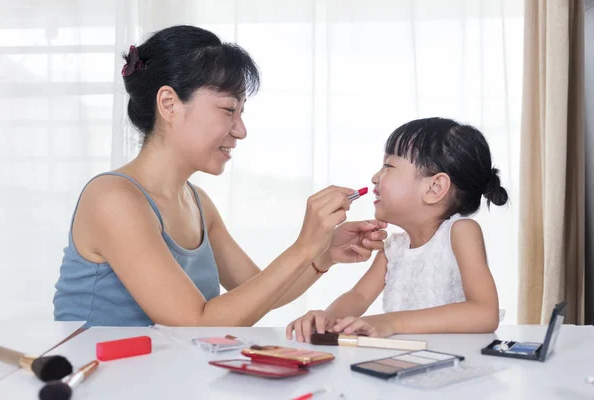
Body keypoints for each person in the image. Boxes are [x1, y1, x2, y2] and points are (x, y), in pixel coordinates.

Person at [52, 25, 387, 327]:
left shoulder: (197, 202)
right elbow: (193, 323)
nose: (240, 130)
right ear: (169, 104)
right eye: (229, 110)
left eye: (241, 113)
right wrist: (303, 247)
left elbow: (257, 292)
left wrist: (323, 253)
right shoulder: (113, 200)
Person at [287, 117, 508, 341]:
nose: (374, 178)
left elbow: (485, 313)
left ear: (434, 187)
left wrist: (390, 322)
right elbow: (358, 295)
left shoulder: (461, 231)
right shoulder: (394, 248)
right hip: (407, 362)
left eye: (388, 166)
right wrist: (326, 320)